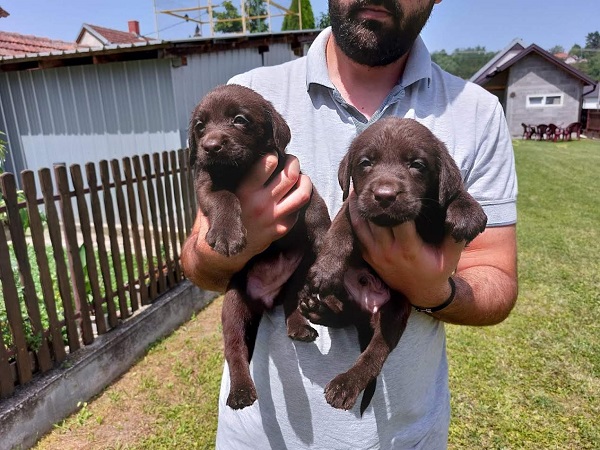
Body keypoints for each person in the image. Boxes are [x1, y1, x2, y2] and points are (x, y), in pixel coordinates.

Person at [181, 0, 518, 448]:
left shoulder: (478, 112)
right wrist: (238, 245)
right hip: (263, 437)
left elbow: (496, 278)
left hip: (404, 435)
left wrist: (431, 289)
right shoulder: (250, 95)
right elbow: (197, 264)